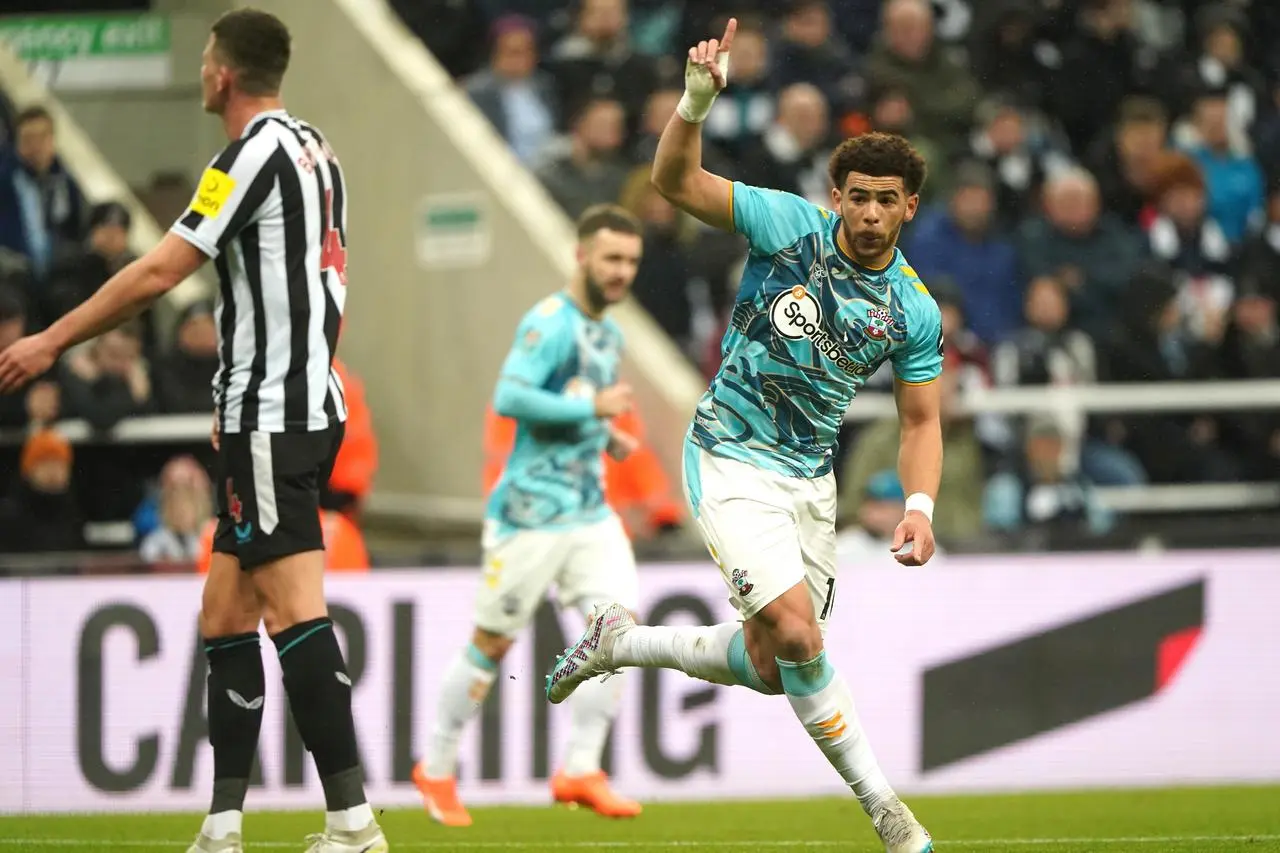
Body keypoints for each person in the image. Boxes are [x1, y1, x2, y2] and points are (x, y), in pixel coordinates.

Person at [545, 19, 938, 853]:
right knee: (801, 636)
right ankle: (891, 817)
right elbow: (673, 181)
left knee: (770, 665)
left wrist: (920, 502)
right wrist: (694, 101)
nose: (869, 213)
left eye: (885, 200)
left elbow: (921, 419)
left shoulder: (912, 308)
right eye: (856, 195)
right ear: (838, 197)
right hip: (728, 452)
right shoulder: (786, 226)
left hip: (809, 479)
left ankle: (622, 640)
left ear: (909, 206)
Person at [0, 10, 387, 853]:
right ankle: (221, 825)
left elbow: (159, 269)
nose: (203, 71)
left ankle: (354, 823)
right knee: (224, 613)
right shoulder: (317, 150)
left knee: (292, 612)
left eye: (208, 58)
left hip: (269, 413)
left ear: (224, 74)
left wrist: (50, 339)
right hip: (304, 403)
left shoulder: (246, 155)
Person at [413, 205, 645, 826]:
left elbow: (573, 409)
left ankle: (581, 766)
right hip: (531, 514)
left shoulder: (609, 335)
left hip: (589, 512)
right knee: (493, 641)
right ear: (581, 256)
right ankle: (435, 768)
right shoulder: (550, 323)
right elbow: (511, 397)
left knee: (617, 633)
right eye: (611, 259)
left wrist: (607, 433)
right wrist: (594, 405)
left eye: (630, 261)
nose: (621, 272)